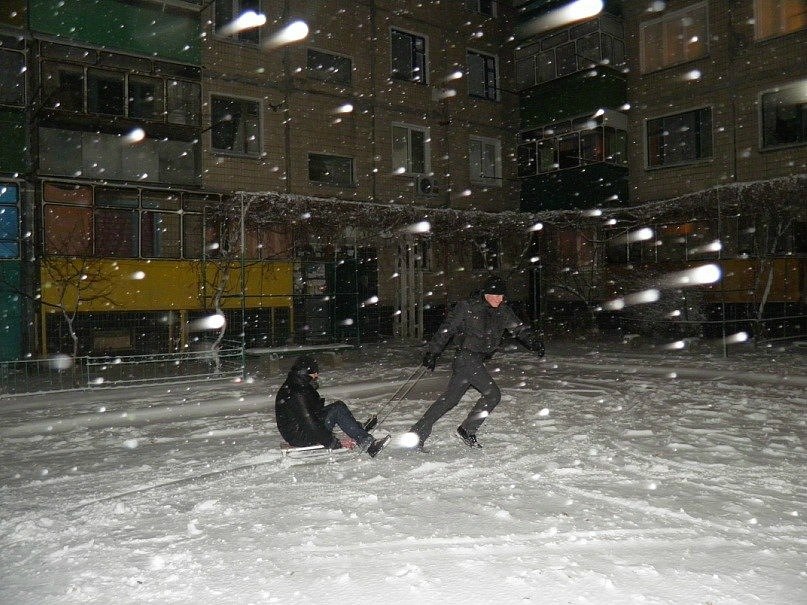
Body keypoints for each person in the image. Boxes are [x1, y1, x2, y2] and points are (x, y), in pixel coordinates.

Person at [408, 275, 544, 449]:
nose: (498, 299)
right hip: (466, 358)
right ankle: (467, 429)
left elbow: (519, 329)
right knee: (493, 394)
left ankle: (417, 433)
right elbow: (446, 330)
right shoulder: (468, 308)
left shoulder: (504, 311)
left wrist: (534, 342)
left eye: (501, 295)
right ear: (485, 294)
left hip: (476, 360)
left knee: (450, 400)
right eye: (494, 295)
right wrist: (433, 352)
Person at [275, 355, 390, 458]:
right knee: (337, 409)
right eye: (314, 372)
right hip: (302, 436)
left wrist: (311, 389)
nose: (317, 375)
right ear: (305, 373)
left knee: (337, 408)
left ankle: (356, 428)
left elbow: (313, 413)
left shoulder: (296, 384)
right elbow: (310, 422)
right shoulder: (298, 392)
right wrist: (331, 442)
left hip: (298, 431)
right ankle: (369, 445)